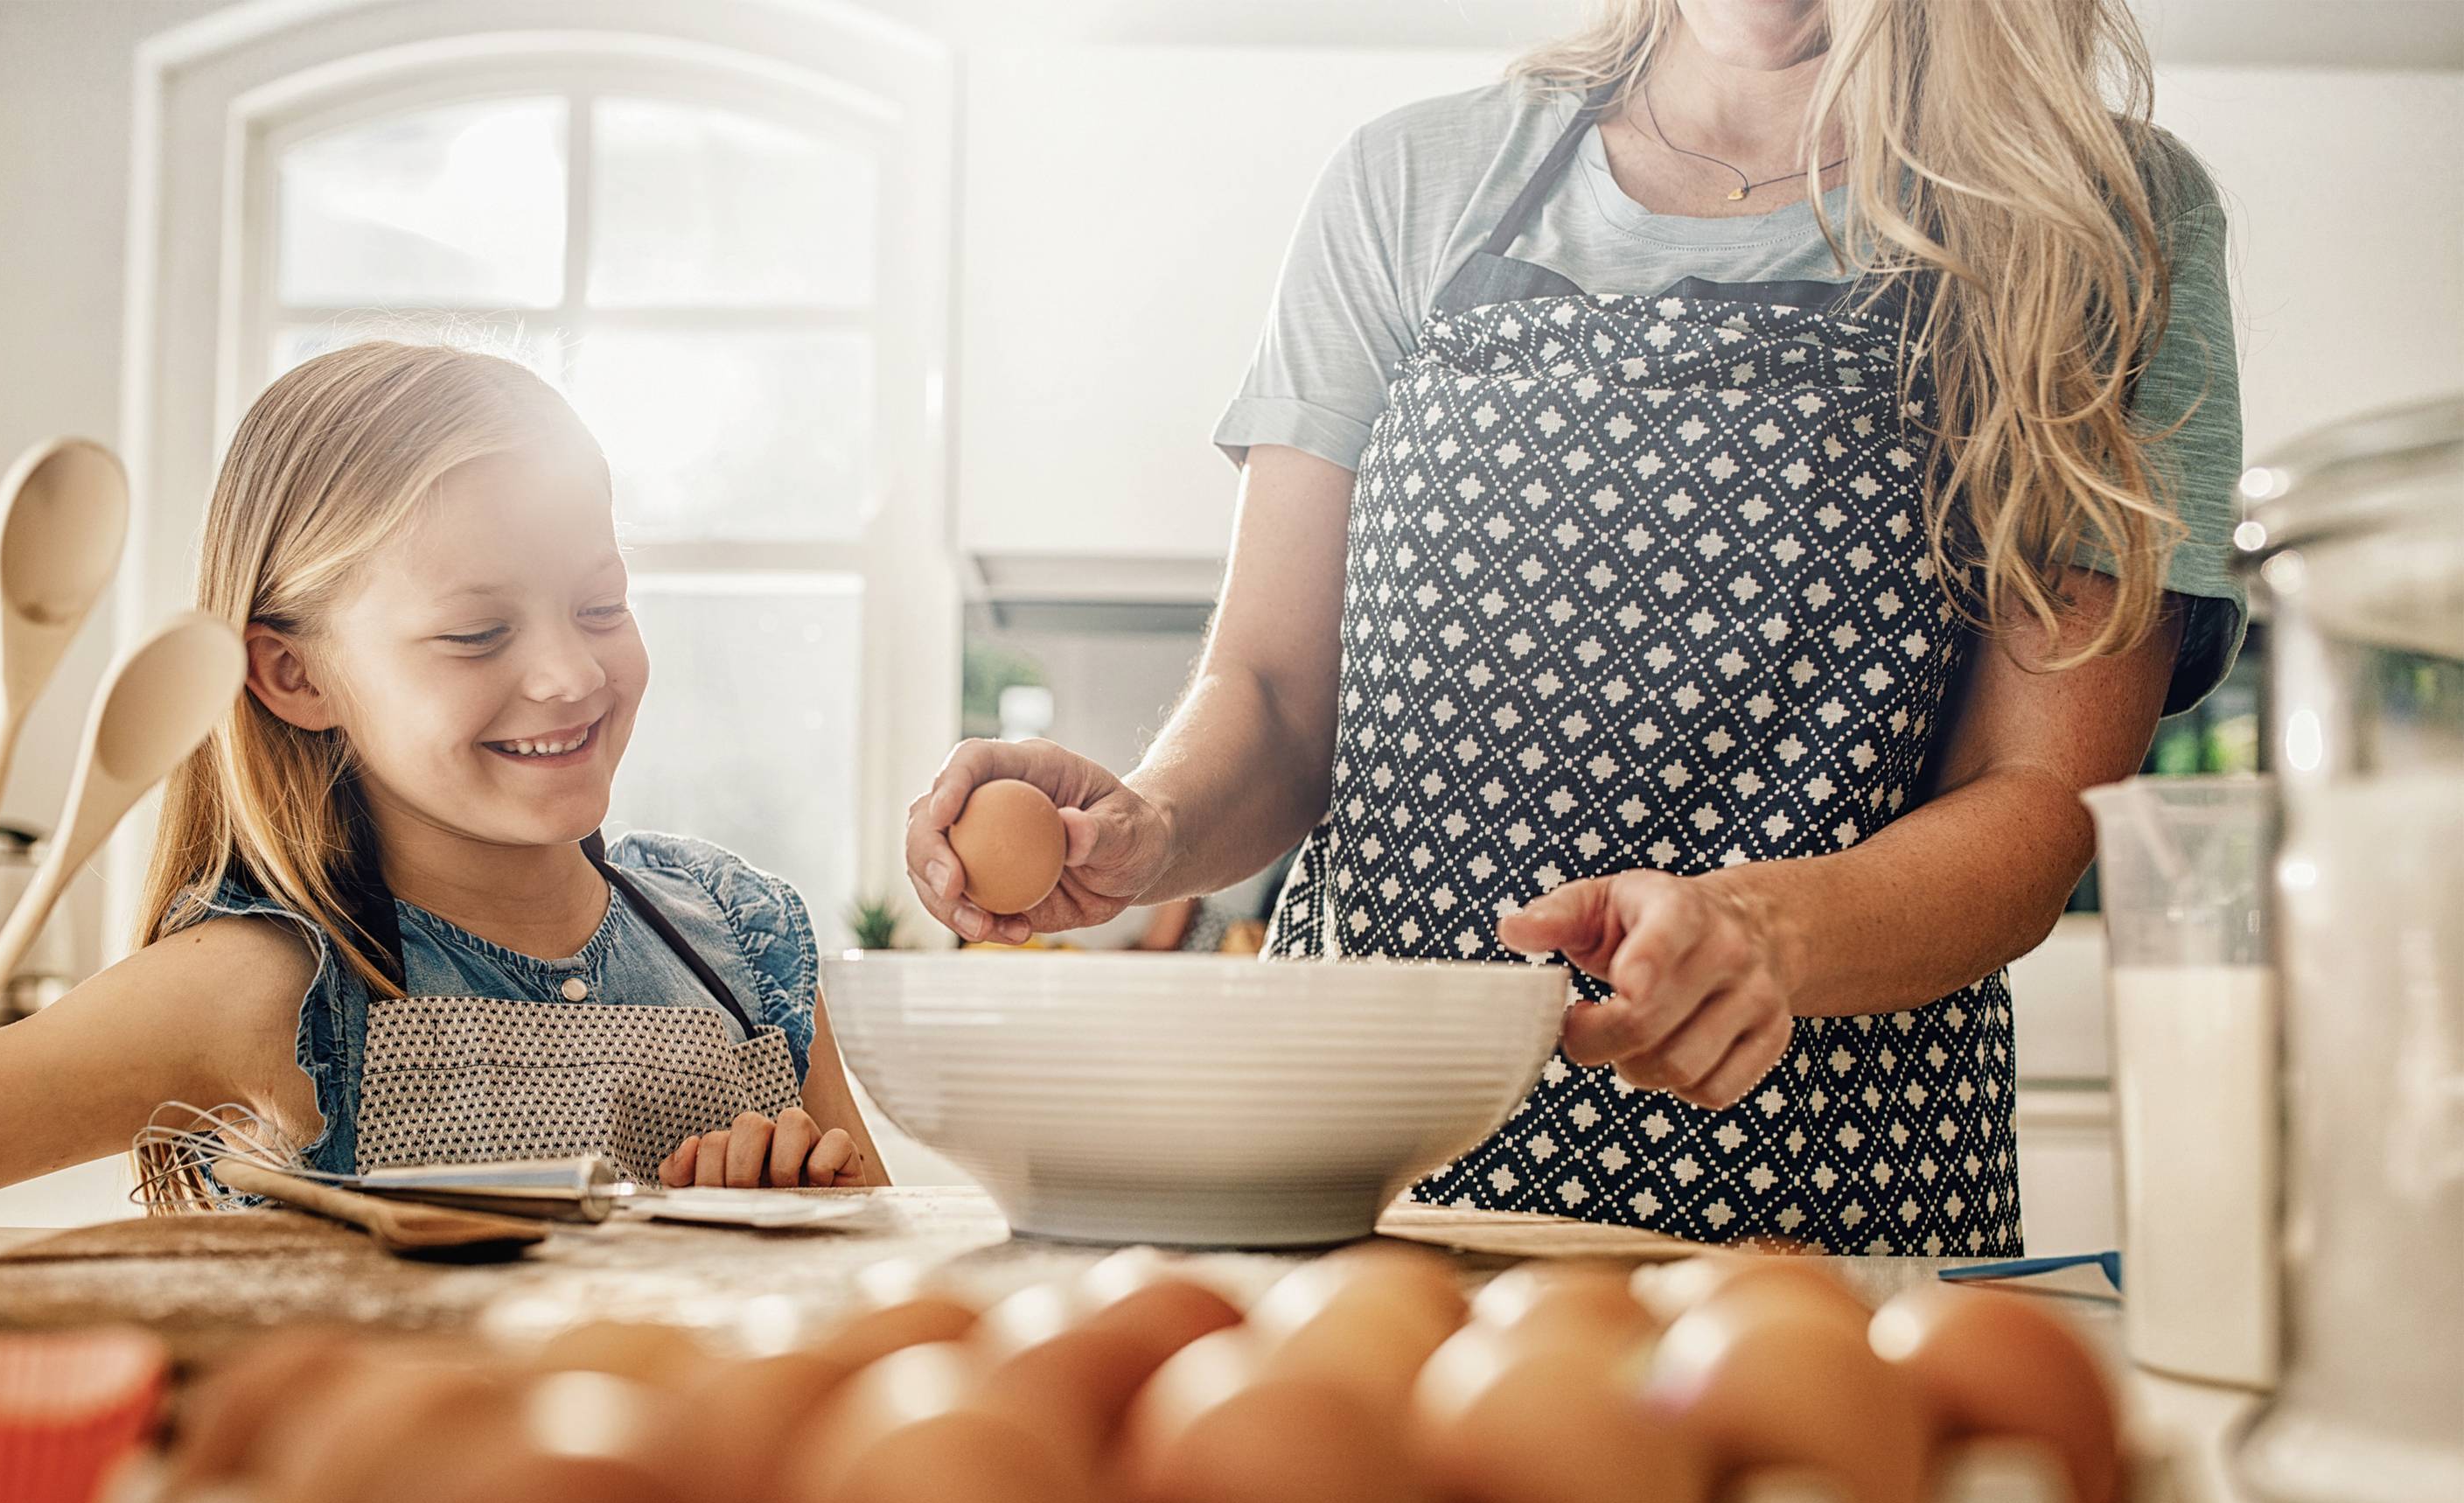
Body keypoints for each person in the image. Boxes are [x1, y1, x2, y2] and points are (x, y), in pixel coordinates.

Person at [907, 0, 2242, 1255]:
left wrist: (1761, 935)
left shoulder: (2096, 220)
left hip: (1820, 1214)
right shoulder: (1414, 183)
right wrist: (1146, 825)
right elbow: (1272, 695)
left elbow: (2040, 797)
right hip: (1373, 1186)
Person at [0, 342, 882, 1273]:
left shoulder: (743, 935)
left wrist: (808, 1227)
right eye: (476, 634)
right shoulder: (256, 989)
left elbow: (897, 1268)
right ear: (296, 676)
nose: (570, 674)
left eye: (600, 606)